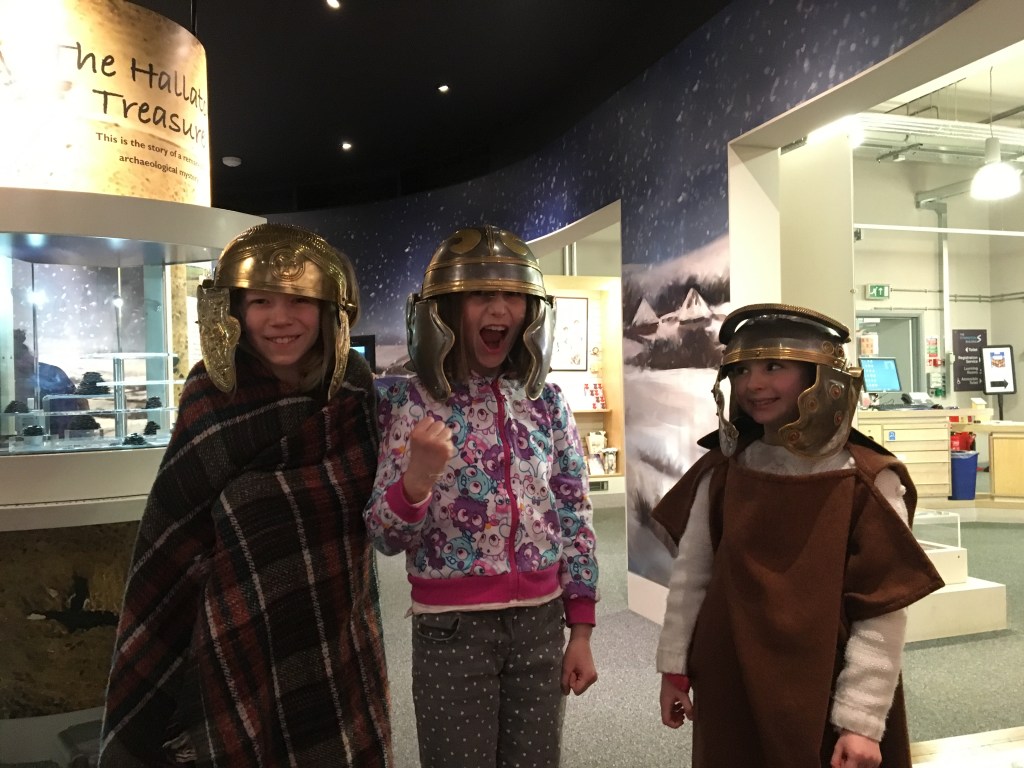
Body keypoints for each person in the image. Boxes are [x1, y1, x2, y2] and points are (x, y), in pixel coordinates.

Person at [99, 223, 392, 767]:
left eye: (299, 300)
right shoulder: (210, 396)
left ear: (330, 310)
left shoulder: (354, 389)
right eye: (260, 301)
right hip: (237, 625)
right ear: (232, 311)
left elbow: (380, 511)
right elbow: (173, 540)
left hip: (337, 622)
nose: (280, 319)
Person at [653, 303, 944, 768]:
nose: (754, 384)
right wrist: (676, 665)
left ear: (820, 378)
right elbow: (692, 576)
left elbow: (880, 612)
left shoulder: (867, 480)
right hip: (731, 671)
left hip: (823, 683)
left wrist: (860, 719)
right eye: (743, 370)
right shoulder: (725, 469)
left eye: (775, 367)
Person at [364, 225, 599, 768]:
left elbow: (573, 515)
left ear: (532, 311)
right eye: (480, 295)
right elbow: (384, 535)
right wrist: (416, 482)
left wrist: (580, 627)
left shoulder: (548, 402)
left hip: (541, 625)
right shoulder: (411, 402)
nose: (499, 309)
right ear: (445, 310)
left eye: (512, 295)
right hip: (453, 633)